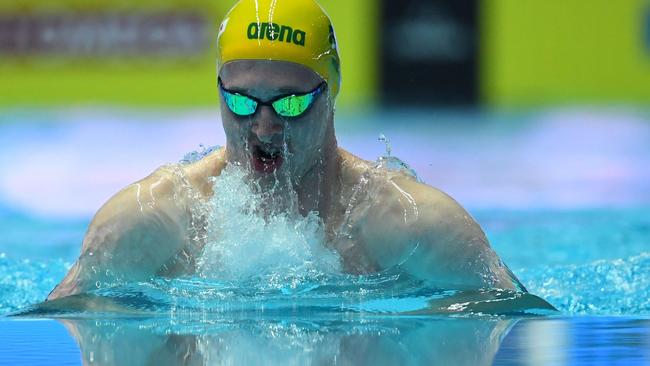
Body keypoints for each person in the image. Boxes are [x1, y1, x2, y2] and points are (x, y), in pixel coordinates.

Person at [47, 0, 525, 301]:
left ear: (331, 89)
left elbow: (518, 321)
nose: (264, 124)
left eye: (292, 102)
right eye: (240, 100)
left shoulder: (415, 226)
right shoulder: (149, 222)